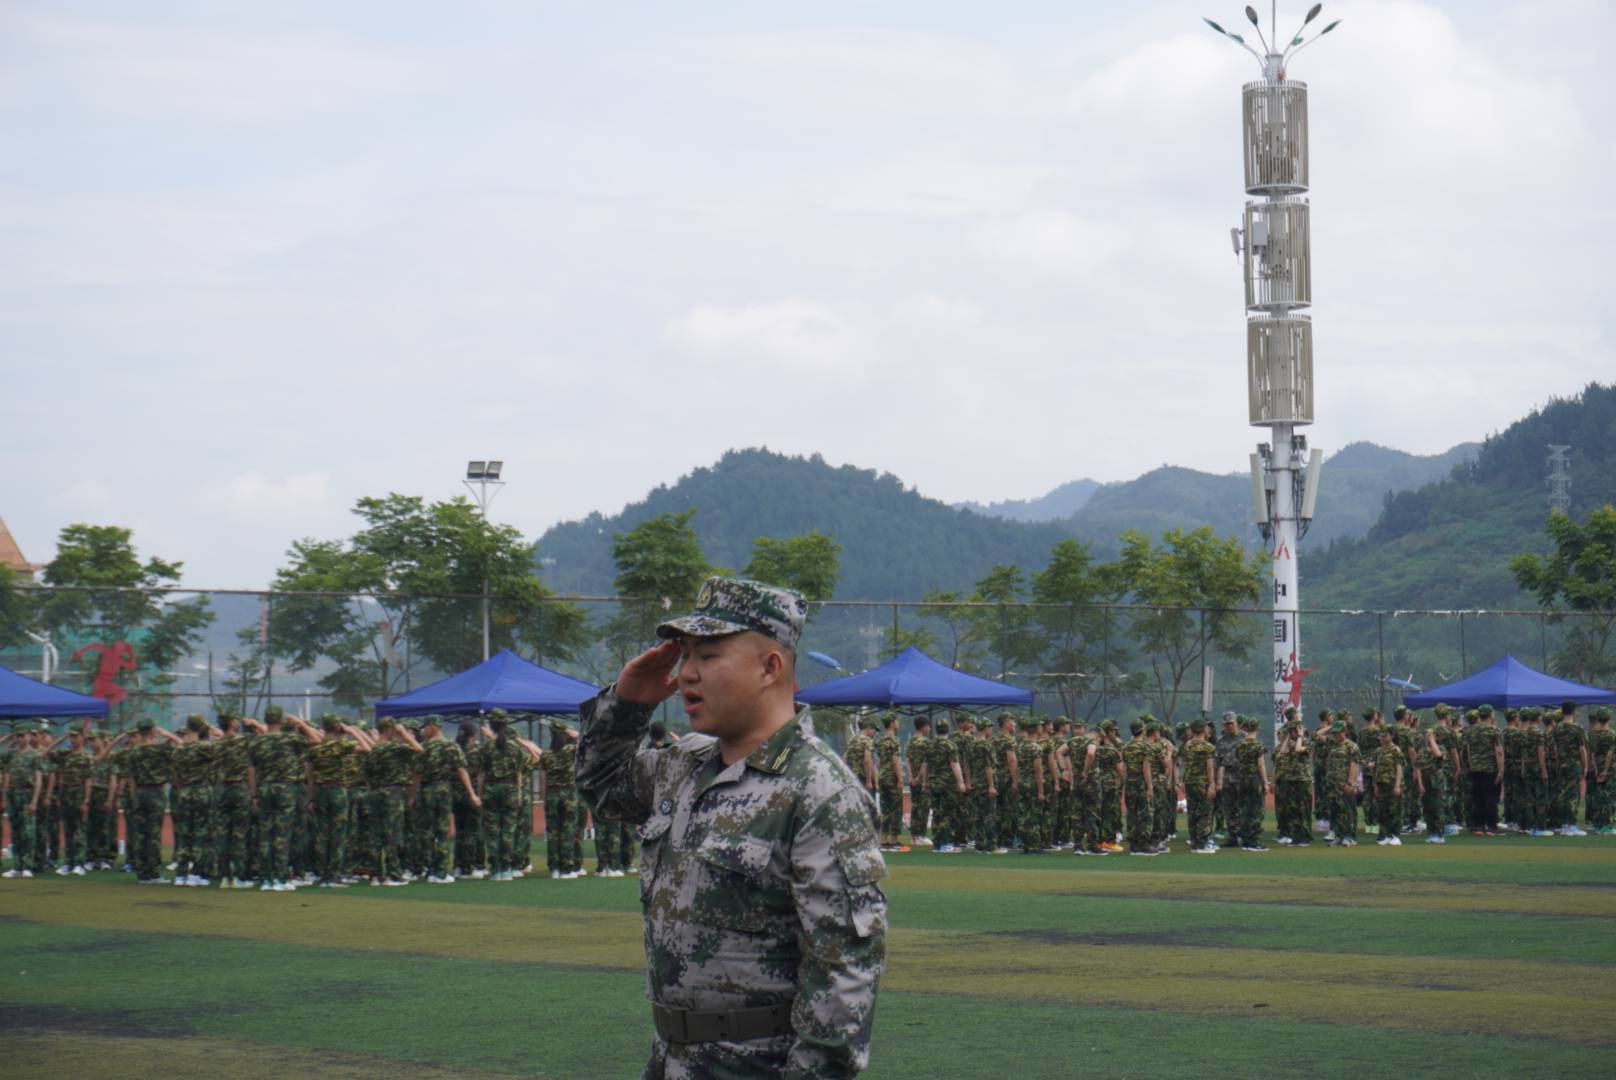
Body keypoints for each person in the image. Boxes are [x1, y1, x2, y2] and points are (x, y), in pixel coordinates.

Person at [577, 577, 886, 1079]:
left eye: (709, 655)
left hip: (756, 1065)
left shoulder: (819, 790)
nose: (685, 675)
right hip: (671, 1059)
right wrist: (627, 704)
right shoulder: (684, 764)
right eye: (686, 655)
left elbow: (843, 975)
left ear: (770, 667)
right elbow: (603, 786)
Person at [539, 722, 584, 879]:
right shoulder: (571, 750)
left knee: (553, 833)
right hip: (568, 794)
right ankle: (566, 868)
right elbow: (583, 739)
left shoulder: (545, 754)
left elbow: (543, 779)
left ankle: (554, 868)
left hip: (552, 793)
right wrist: (568, 730)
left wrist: (544, 799)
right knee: (568, 831)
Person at [1464, 705, 1506, 836]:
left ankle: (1478, 826)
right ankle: (1491, 827)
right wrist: (1501, 770)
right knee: (1490, 798)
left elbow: (1468, 750)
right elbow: (1499, 751)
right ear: (1490, 715)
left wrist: (1471, 764)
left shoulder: (1471, 730)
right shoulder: (1494, 731)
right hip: (1490, 768)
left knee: (1477, 798)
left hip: (1475, 768)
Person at [1181, 719, 1217, 854]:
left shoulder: (1187, 746)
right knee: (1204, 812)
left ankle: (1195, 843)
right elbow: (1209, 767)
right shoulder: (1208, 747)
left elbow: (1186, 764)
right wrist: (1212, 784)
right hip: (1202, 783)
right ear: (1203, 730)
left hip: (1190, 782)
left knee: (1193, 813)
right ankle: (1202, 844)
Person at [1368, 727, 1406, 846]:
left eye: (1385, 735)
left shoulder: (1396, 750)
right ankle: (1385, 835)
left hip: (1392, 784)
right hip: (1381, 784)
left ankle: (1395, 835)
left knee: (1394, 810)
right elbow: (1376, 770)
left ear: (1391, 736)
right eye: (1381, 735)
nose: (1382, 738)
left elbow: (1399, 769)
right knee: (1382, 811)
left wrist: (1397, 786)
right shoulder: (1378, 751)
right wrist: (1375, 785)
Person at [1325, 724, 1361, 847]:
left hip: (1344, 784)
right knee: (1334, 811)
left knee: (1347, 810)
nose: (1335, 735)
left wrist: (1351, 783)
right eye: (1334, 732)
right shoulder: (1333, 745)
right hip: (1332, 784)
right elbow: (1316, 737)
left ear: (1344, 731)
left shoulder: (1352, 746)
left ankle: (1349, 836)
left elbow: (1354, 765)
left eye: (1338, 732)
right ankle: (1339, 835)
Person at [875, 714, 906, 852]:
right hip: (892, 777)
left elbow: (880, 761)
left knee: (885, 808)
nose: (898, 723)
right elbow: (895, 760)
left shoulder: (880, 740)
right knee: (896, 808)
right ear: (892, 723)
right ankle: (894, 840)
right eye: (897, 721)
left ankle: (883, 839)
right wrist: (900, 779)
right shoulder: (895, 740)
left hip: (883, 776)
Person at [905, 718, 931, 845]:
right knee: (924, 807)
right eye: (928, 726)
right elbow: (925, 762)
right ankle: (921, 835)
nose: (929, 729)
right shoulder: (926, 742)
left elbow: (908, 760)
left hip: (912, 780)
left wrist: (911, 777)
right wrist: (919, 778)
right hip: (922, 780)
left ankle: (914, 836)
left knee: (915, 807)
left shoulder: (910, 742)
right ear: (923, 727)